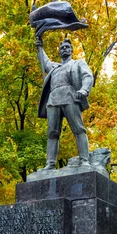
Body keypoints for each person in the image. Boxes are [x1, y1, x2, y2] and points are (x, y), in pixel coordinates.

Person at [35, 35, 93, 170]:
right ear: (59, 51)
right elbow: (45, 61)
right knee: (52, 132)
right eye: (62, 48)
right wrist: (39, 47)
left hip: (70, 97)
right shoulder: (54, 67)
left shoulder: (78, 63)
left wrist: (84, 89)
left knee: (78, 129)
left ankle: (84, 160)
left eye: (67, 47)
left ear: (72, 50)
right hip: (53, 100)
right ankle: (50, 164)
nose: (64, 49)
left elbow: (87, 76)